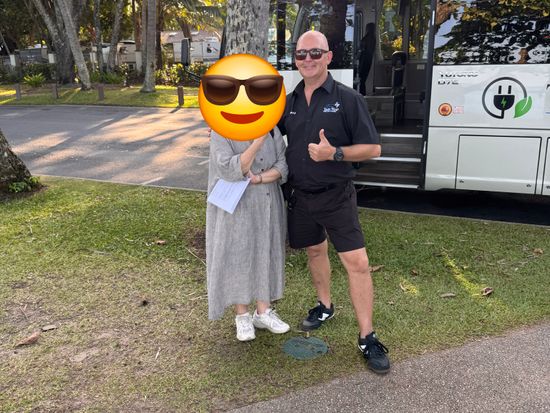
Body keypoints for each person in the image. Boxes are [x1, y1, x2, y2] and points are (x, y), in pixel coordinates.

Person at [278, 30, 390, 373]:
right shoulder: (288, 101)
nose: (307, 59)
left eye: (315, 53)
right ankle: (325, 306)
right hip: (300, 196)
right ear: (295, 59)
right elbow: (261, 130)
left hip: (336, 195)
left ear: (328, 57)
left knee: (357, 263)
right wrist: (223, 128)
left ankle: (367, 337)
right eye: (301, 54)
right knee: (315, 251)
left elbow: (373, 149)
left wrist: (335, 153)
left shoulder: (348, 98)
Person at [206, 129, 290, 341]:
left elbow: (282, 166)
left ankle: (263, 311)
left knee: (266, 250)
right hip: (236, 204)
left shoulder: (272, 129)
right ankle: (241, 315)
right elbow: (230, 169)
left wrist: (259, 178)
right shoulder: (221, 131)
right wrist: (257, 142)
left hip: (267, 200)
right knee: (239, 254)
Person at [358, 23, 376, 96]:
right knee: (363, 80)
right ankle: (363, 95)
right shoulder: (373, 38)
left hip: (363, 60)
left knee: (361, 80)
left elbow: (361, 49)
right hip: (368, 61)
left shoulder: (366, 38)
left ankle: (361, 95)